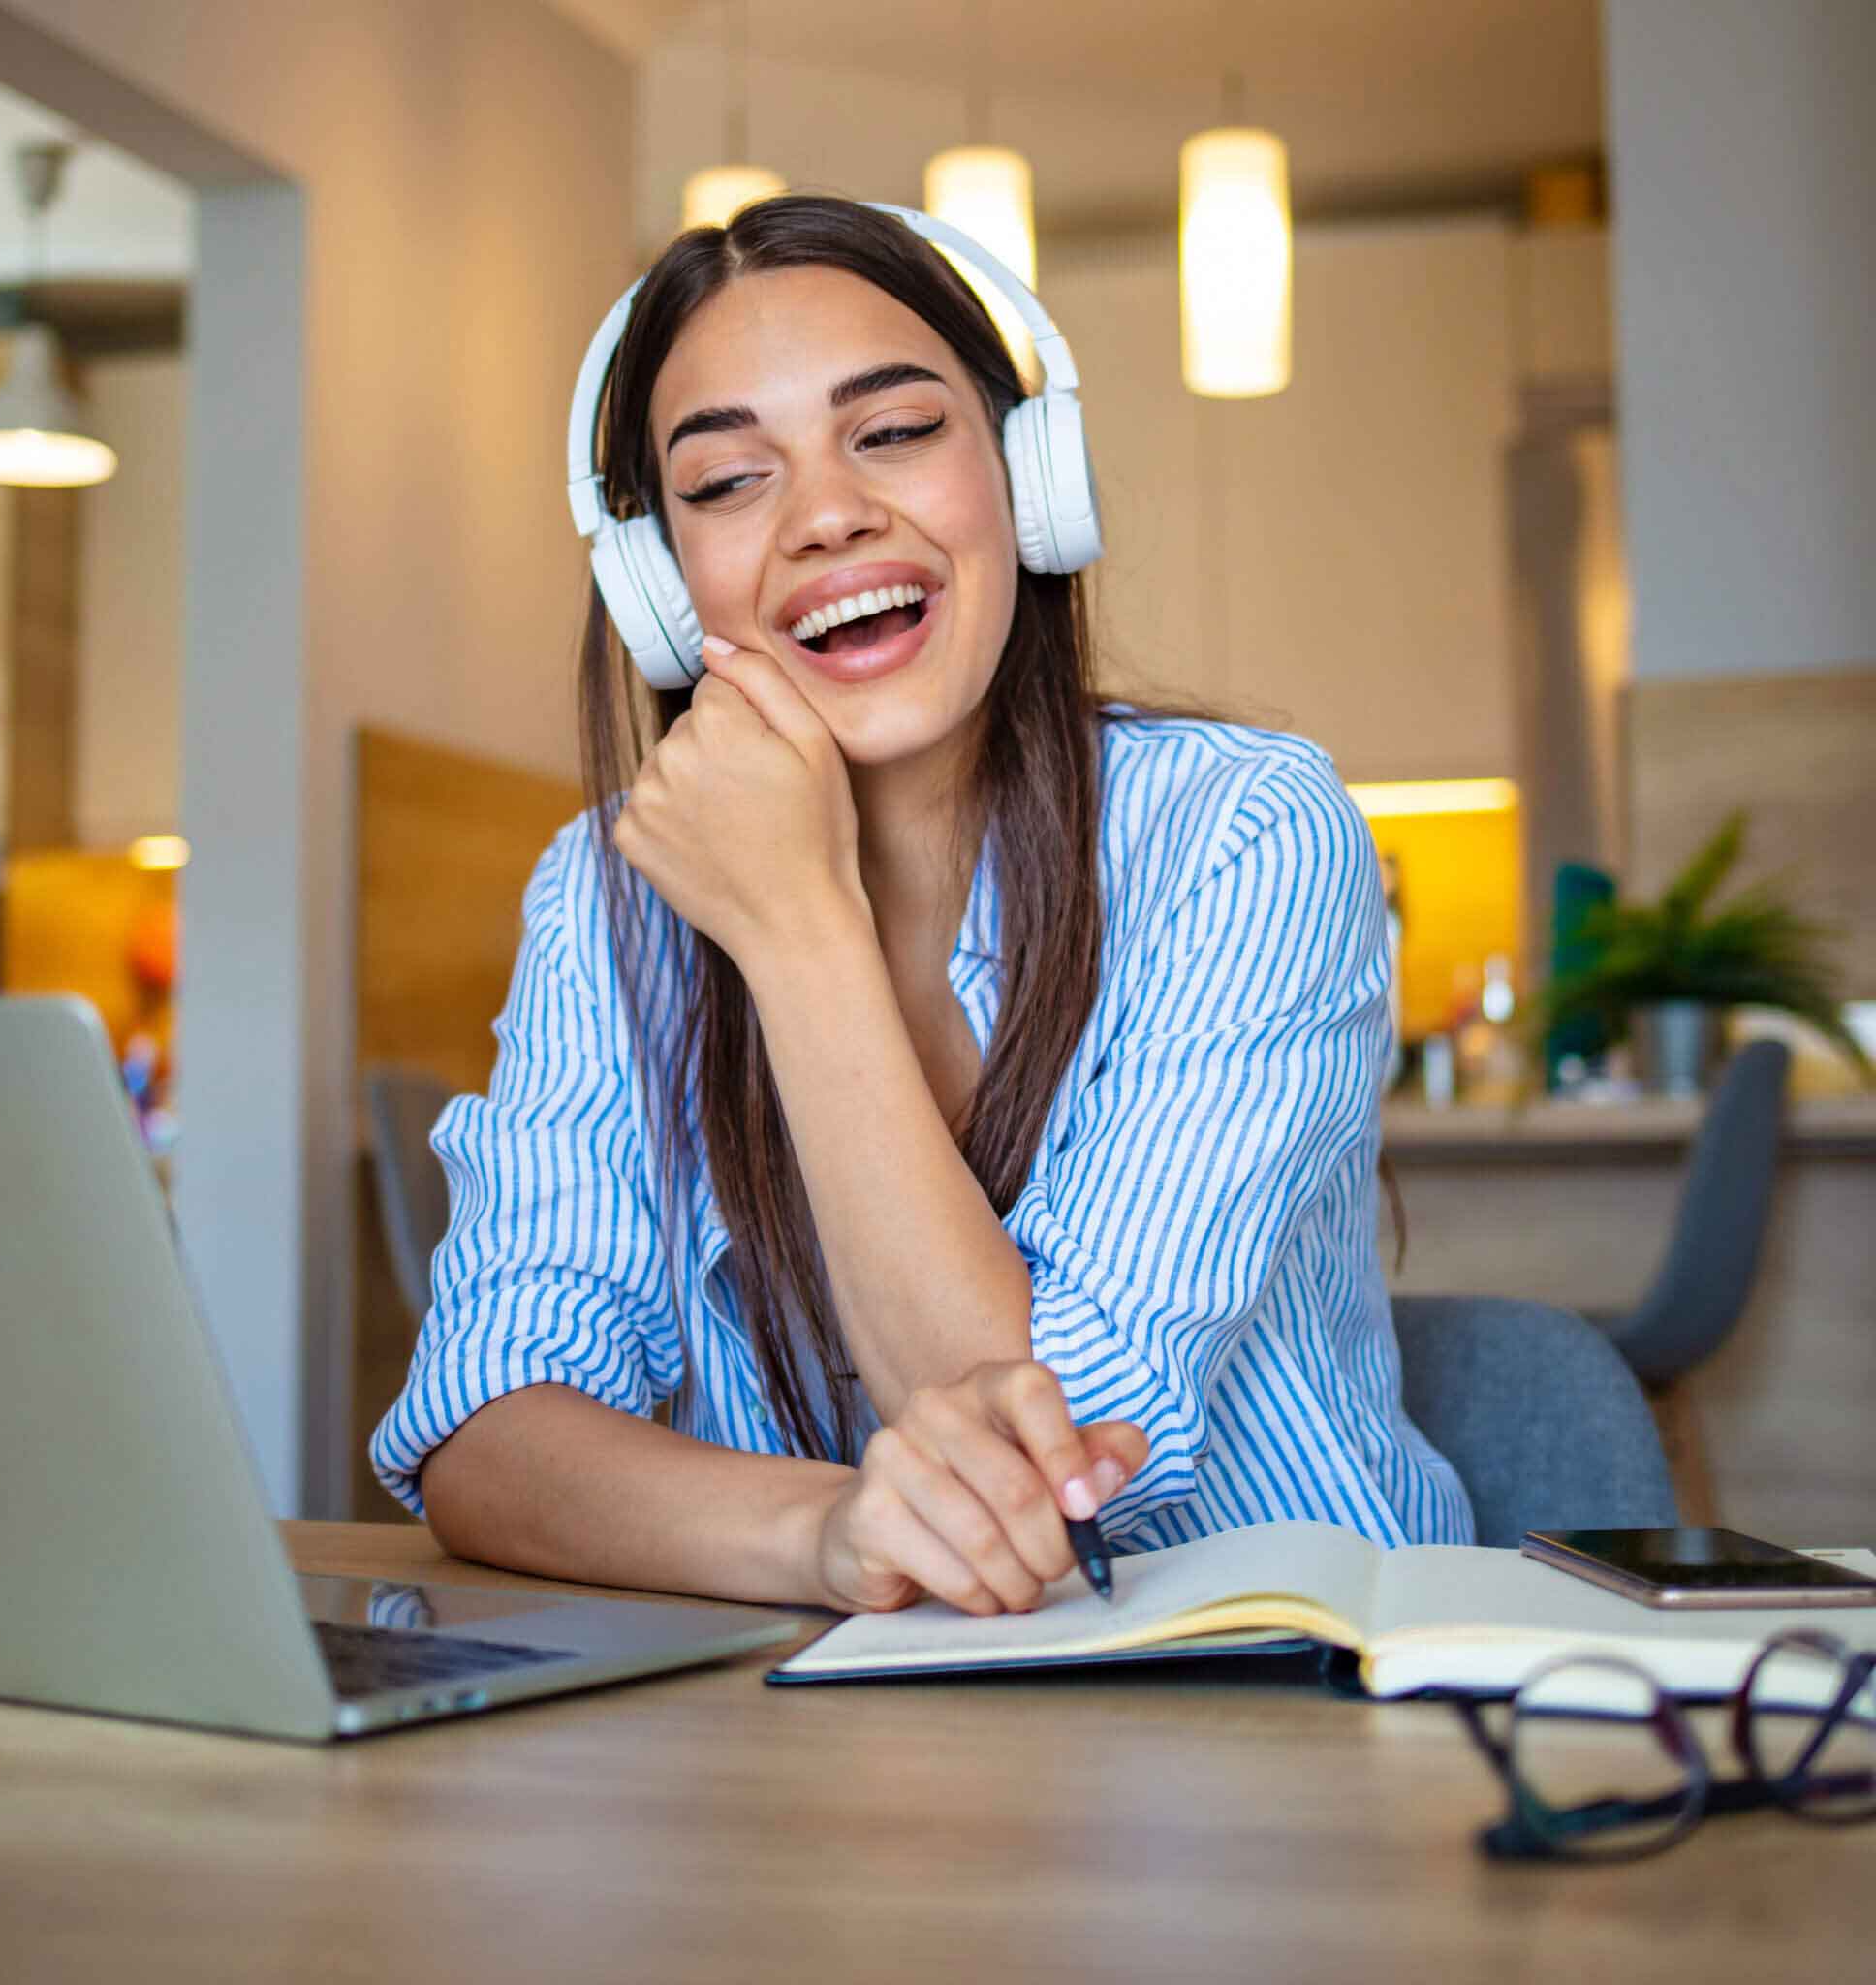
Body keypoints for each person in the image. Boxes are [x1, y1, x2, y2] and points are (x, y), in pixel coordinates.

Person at [371, 195, 1471, 1619]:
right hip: (837, 1749)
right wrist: (829, 1533)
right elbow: (486, 1425)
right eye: (724, 485)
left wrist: (796, 929)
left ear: (1031, 475)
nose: (829, 515)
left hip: (1276, 1706)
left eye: (892, 434)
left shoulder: (1242, 832)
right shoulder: (607, 898)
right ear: (655, 582)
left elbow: (1058, 1473)